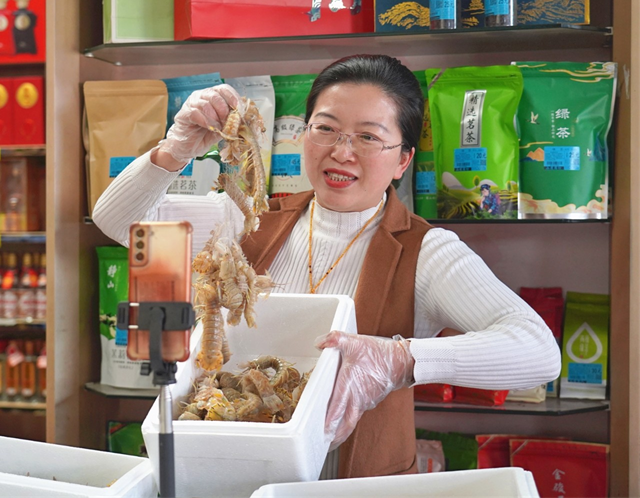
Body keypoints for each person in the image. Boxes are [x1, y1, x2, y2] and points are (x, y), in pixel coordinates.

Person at [93, 54, 561, 479]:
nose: (342, 151)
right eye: (326, 128)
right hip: (237, 475)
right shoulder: (249, 219)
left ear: (403, 161)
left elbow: (540, 352)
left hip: (357, 484)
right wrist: (174, 149)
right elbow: (119, 222)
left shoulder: (428, 251)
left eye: (368, 137)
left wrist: (401, 359)